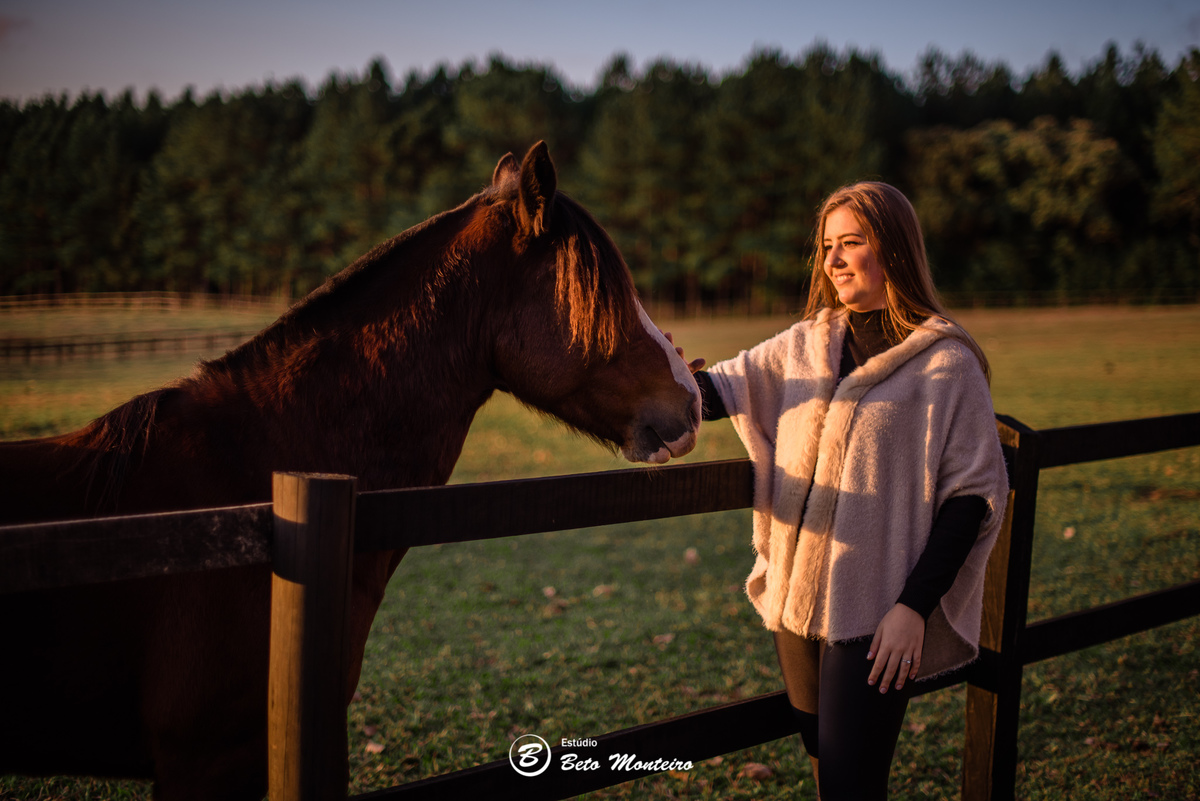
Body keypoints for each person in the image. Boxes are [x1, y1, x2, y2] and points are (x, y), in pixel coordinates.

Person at [668, 181, 1009, 800]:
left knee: (854, 787)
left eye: (851, 243)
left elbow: (974, 497)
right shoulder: (805, 344)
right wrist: (660, 373)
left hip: (876, 614)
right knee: (830, 781)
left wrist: (913, 608)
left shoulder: (945, 362)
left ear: (895, 250)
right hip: (794, 608)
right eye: (827, 246)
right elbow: (718, 390)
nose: (832, 260)